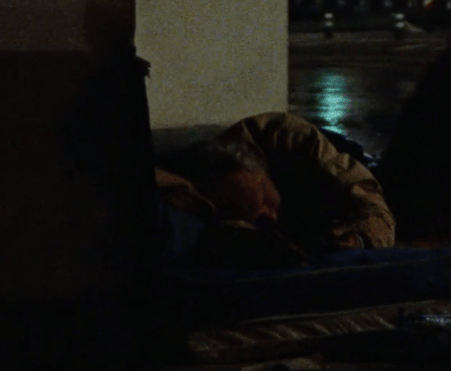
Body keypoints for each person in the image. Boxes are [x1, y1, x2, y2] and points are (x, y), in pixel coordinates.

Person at [155, 112, 395, 268]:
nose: (270, 215)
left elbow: (367, 198)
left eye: (264, 200)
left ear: (259, 170)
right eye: (257, 218)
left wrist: (360, 238)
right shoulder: (191, 198)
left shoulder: (289, 139)